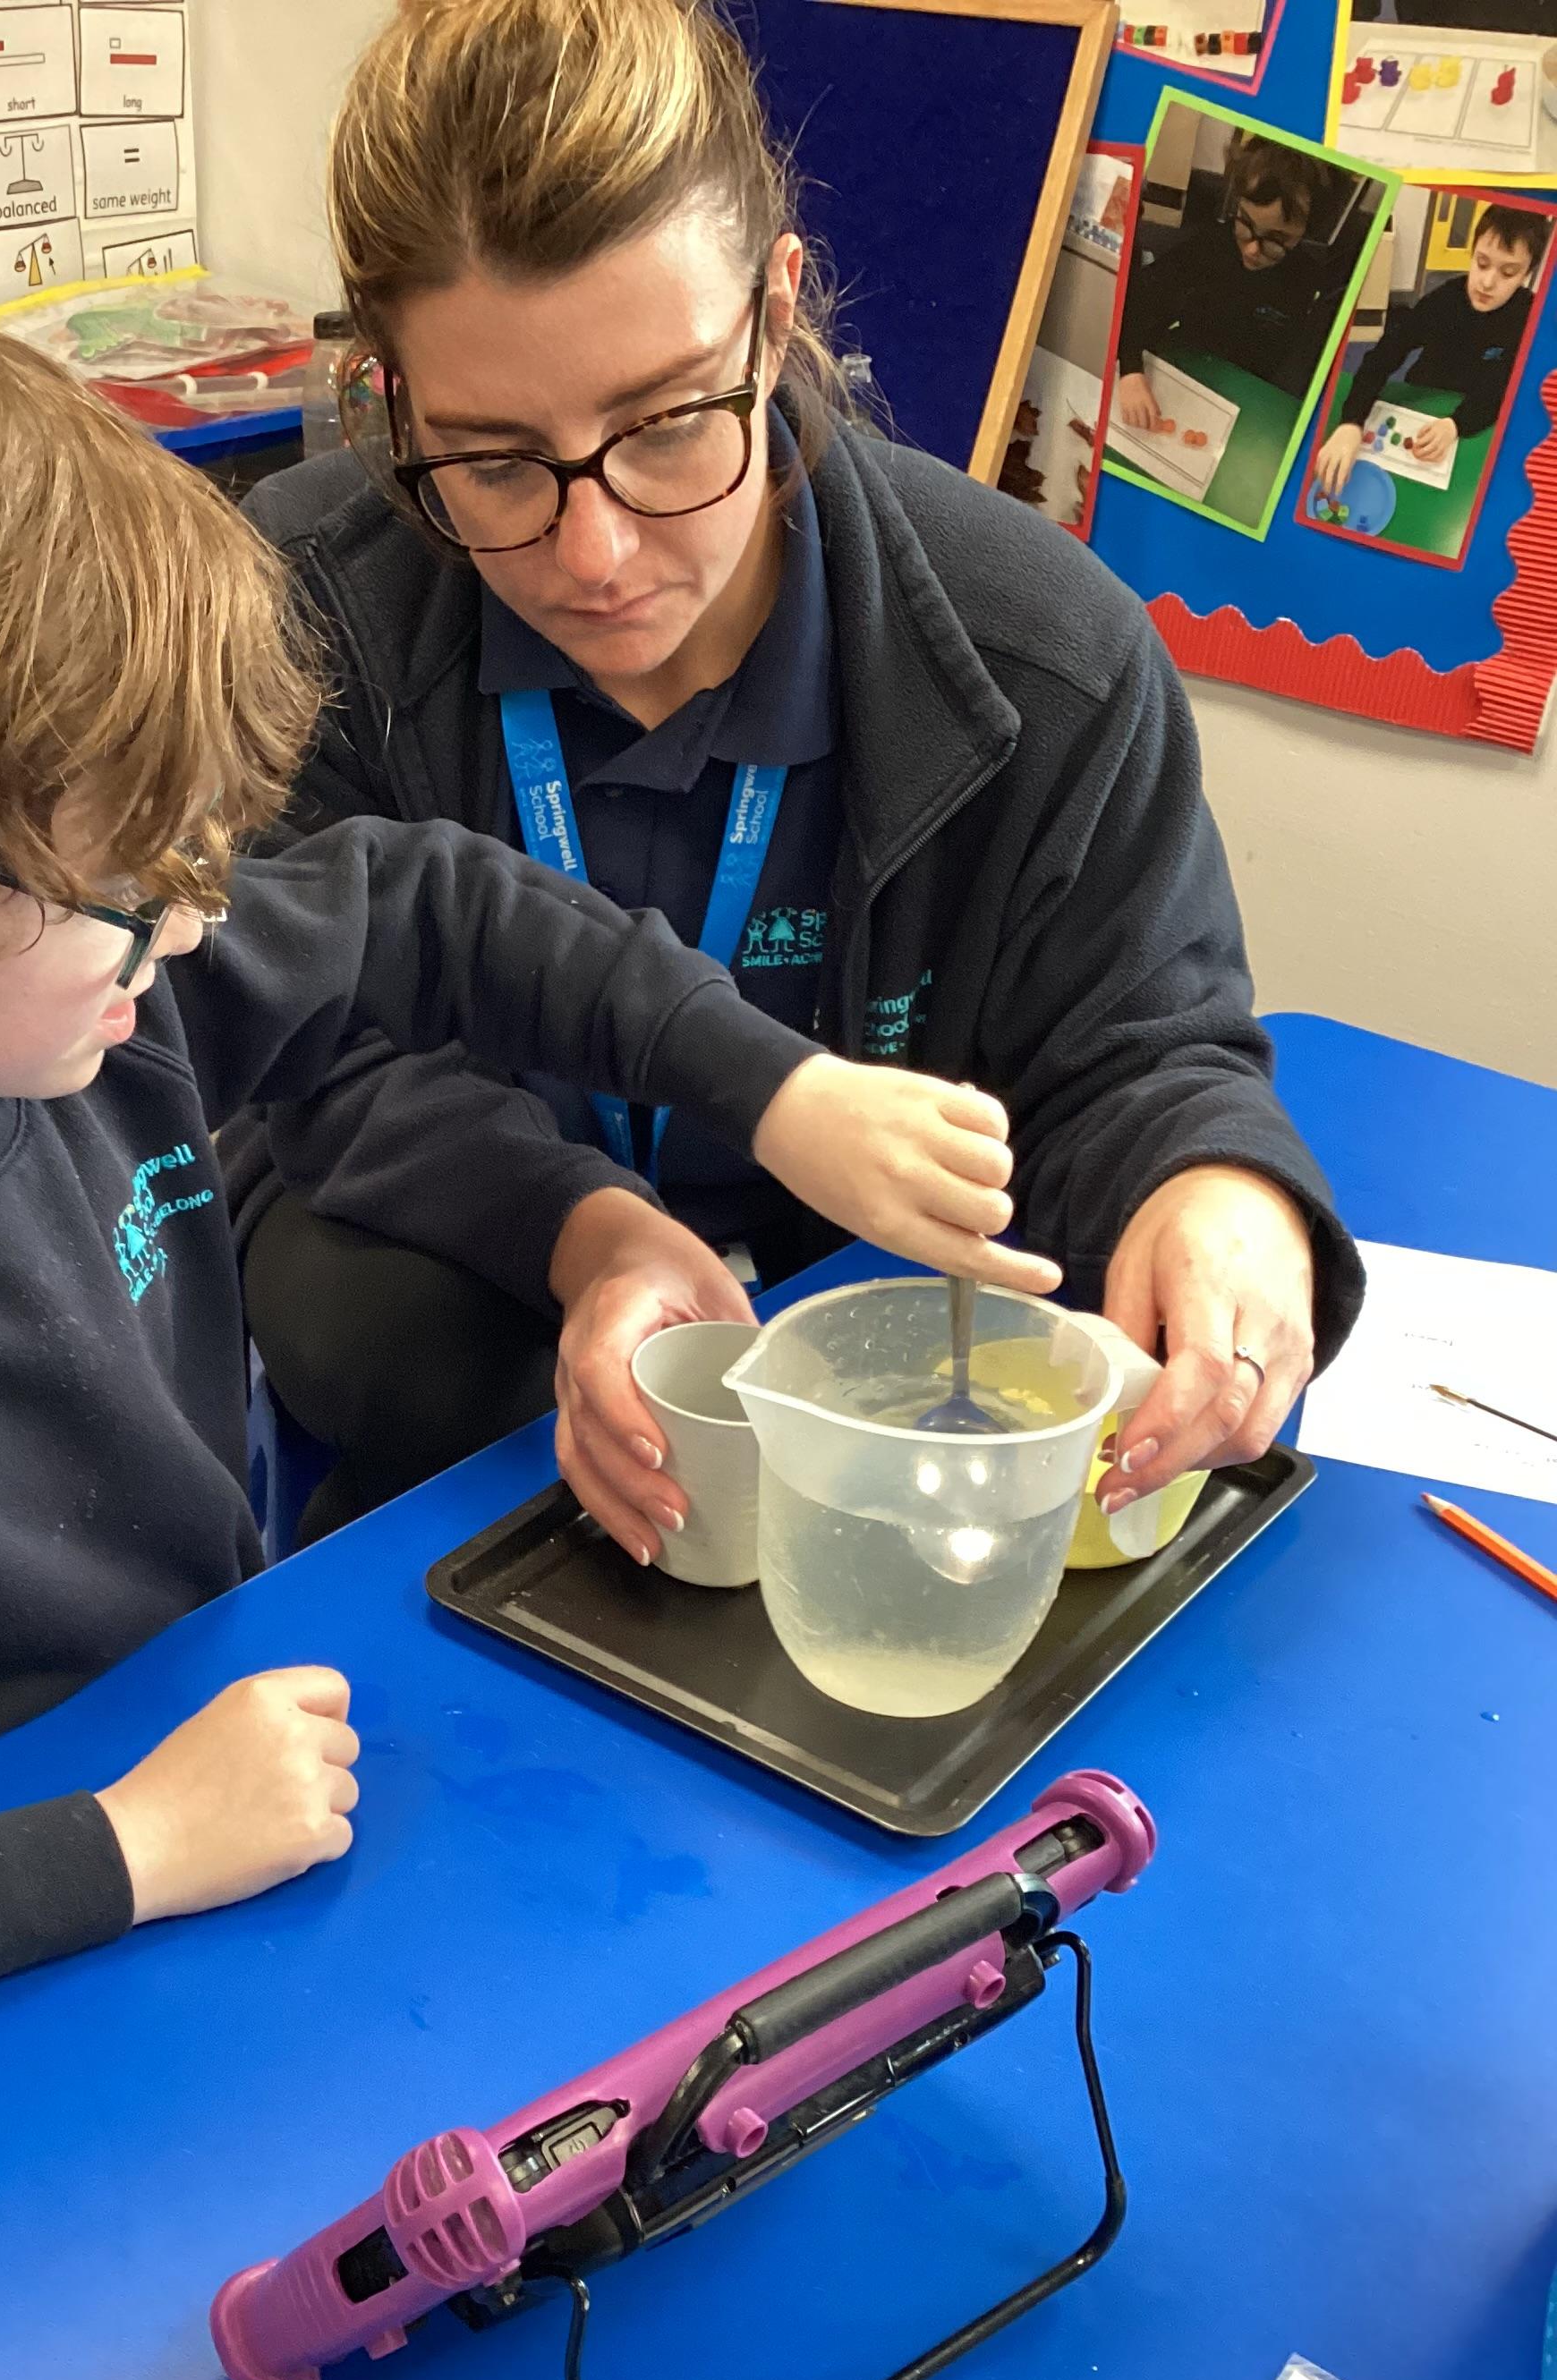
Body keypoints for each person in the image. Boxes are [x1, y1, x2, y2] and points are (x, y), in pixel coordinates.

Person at [0, 269, 952, 2094]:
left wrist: (770, 1088)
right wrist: (124, 1848)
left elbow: (432, 902)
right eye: (130, 883)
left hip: (218, 1789)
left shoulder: (66, 1004)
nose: (196, 920)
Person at [231, 0, 1361, 1560]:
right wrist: (588, 1233)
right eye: (491, 462)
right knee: (395, 1325)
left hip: (897, 1416)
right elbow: (314, 1055)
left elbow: (1143, 1048)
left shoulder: (1052, 660)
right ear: (388, 399)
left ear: (774, 316)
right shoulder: (295, 618)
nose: (595, 553)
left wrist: (1218, 1193)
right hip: (470, 1363)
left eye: (666, 425)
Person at [1309, 202, 1545, 505]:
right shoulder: (1444, 302)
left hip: (1476, 414)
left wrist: (1458, 424)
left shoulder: (1530, 318)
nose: (1487, 283)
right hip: (1424, 390)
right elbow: (1382, 356)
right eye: (1482, 263)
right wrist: (1351, 421)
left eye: (1508, 272)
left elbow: (1507, 386)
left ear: (1527, 274)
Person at [1115, 140, 1339, 429]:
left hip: (1250, 394)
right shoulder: (1208, 248)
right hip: (1182, 370)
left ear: (1307, 232)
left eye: (1277, 239)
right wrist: (1131, 370)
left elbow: (1300, 371)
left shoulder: (1307, 281)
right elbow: (1136, 300)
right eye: (1245, 222)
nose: (1252, 250)